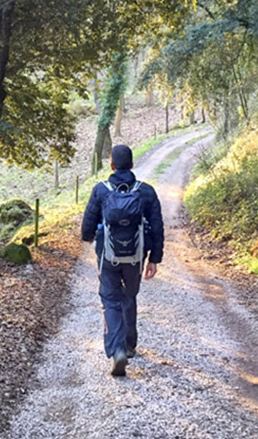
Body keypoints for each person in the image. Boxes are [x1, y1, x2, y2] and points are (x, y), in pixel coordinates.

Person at [81, 144, 164, 376]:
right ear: (132, 165)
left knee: (110, 298)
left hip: (107, 256)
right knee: (129, 295)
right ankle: (129, 345)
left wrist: (89, 238)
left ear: (111, 165)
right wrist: (154, 259)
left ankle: (117, 349)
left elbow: (87, 225)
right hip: (136, 257)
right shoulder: (145, 191)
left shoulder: (101, 190)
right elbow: (157, 227)